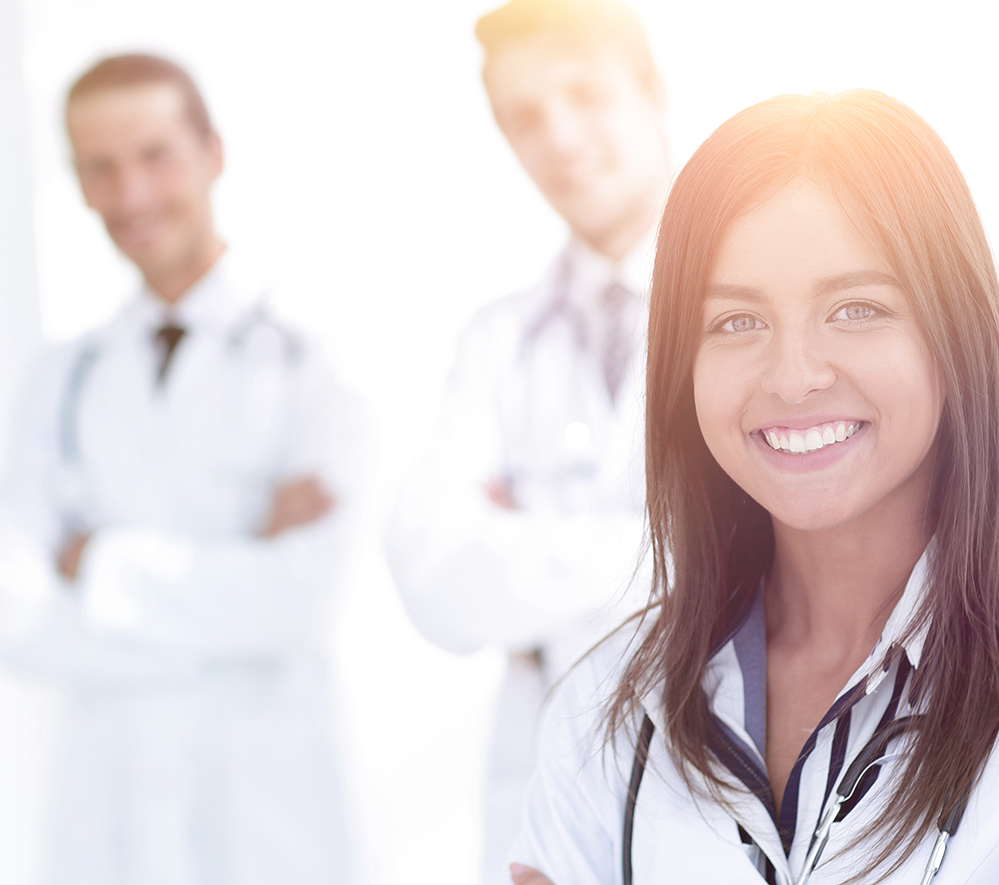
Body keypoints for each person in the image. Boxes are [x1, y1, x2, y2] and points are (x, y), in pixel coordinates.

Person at [507, 90, 999, 885]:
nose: (794, 376)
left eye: (855, 309)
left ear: (955, 335)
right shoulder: (605, 703)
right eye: (737, 322)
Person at [0, 54, 363, 885]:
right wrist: (236, 566)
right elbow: (10, 616)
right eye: (100, 168)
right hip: (109, 821)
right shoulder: (61, 378)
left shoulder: (311, 354)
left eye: (155, 156)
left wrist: (100, 563)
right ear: (76, 183)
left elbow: (298, 604)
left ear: (213, 153)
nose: (132, 195)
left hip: (268, 820)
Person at [383, 0, 672, 878]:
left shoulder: (756, 310)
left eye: (584, 94)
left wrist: (527, 580)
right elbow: (430, 570)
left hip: (717, 794)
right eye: (524, 118)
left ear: (653, 91)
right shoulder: (497, 340)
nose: (560, 138)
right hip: (546, 812)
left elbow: (771, 563)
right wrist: (653, 546)